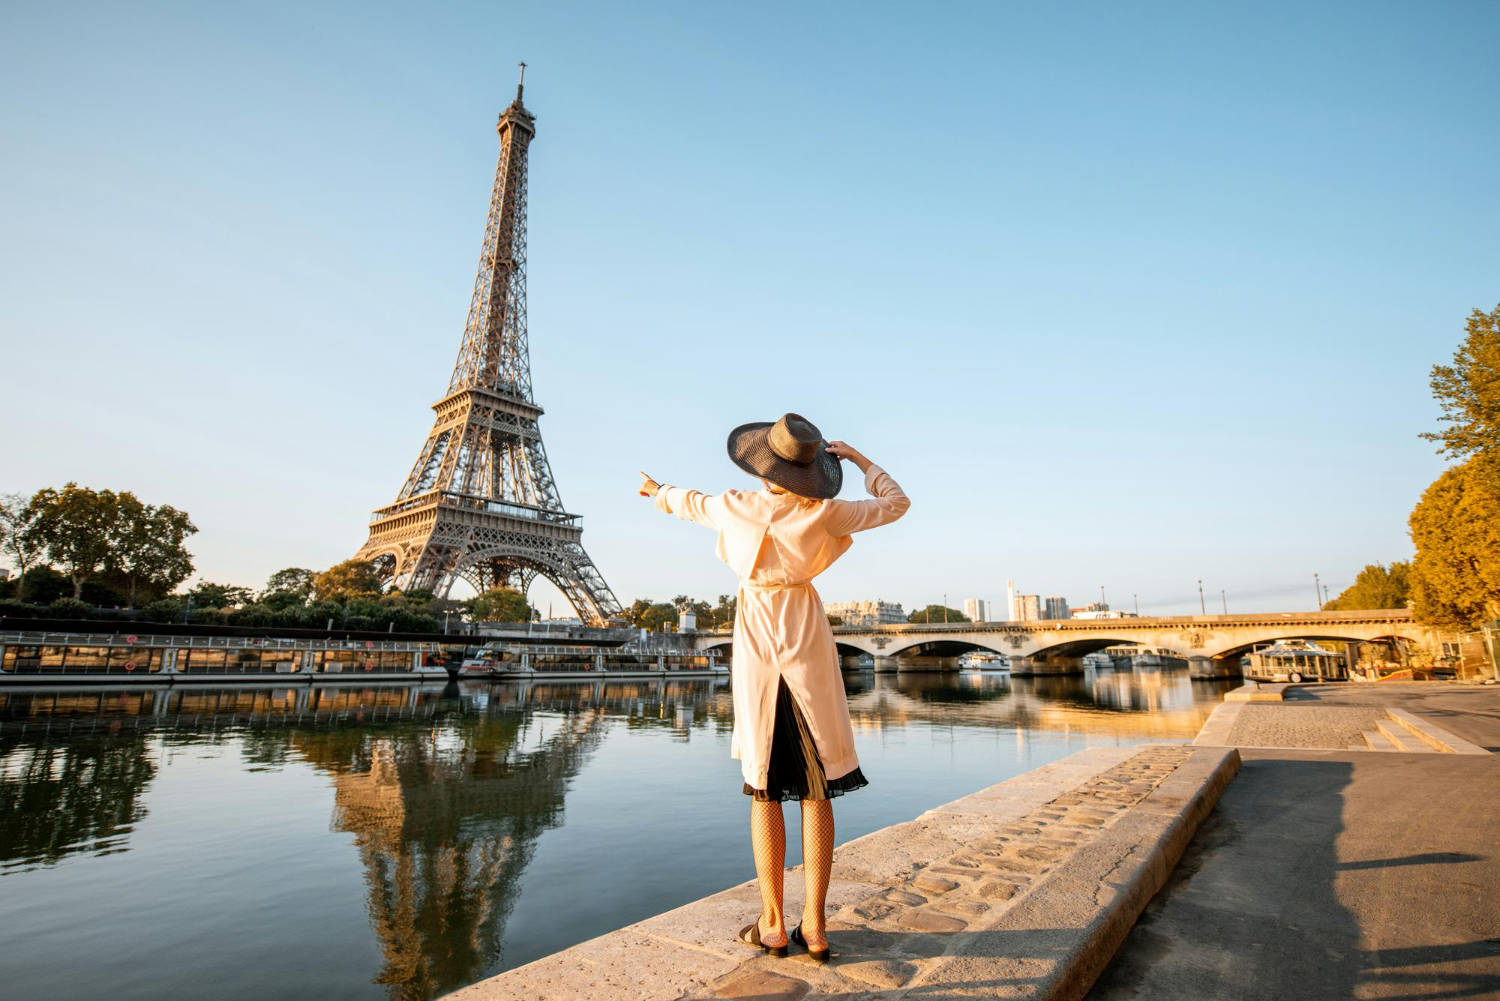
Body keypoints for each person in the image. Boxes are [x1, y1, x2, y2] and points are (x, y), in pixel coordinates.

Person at [638, 412, 910, 962]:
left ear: (762, 466)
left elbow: (687, 501)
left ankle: (771, 921)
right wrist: (858, 460)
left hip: (758, 642)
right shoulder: (827, 513)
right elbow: (896, 503)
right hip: (807, 640)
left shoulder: (736, 505)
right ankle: (815, 923)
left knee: (764, 788)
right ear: (812, 472)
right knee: (818, 790)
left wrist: (654, 489)